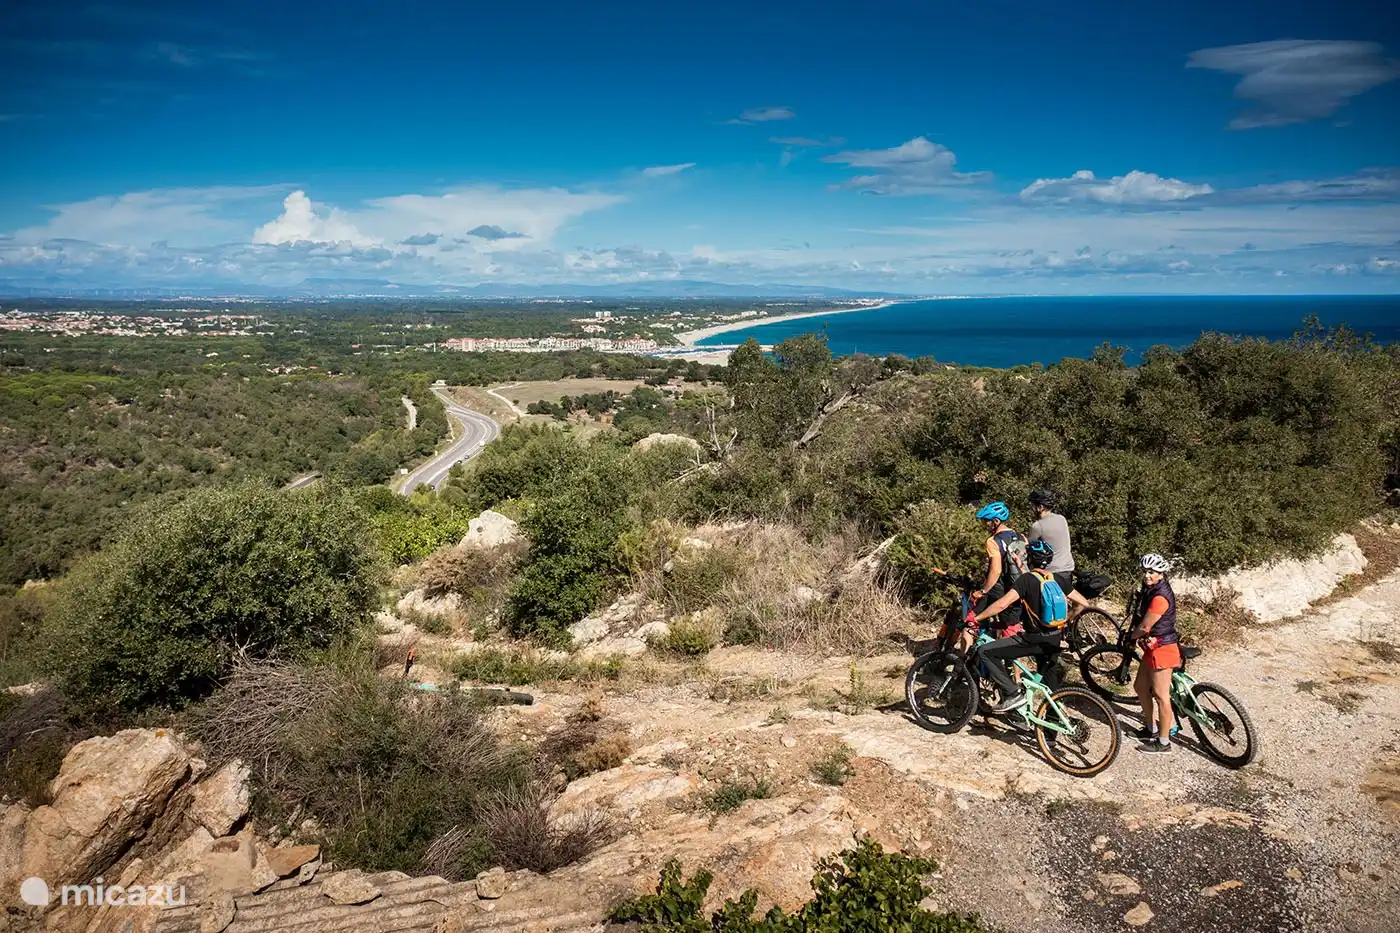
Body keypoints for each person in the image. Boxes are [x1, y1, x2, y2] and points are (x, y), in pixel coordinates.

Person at [969, 539, 1068, 712]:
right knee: (1052, 687)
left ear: (1030, 558)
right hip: (1054, 638)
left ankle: (1012, 694)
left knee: (985, 652)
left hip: (1033, 640)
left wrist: (978, 618)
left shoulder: (1026, 580)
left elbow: (1002, 604)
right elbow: (1079, 603)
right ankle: (1050, 735)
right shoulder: (1056, 578)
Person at [1130, 553, 1181, 753]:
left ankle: (1164, 742)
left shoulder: (1160, 597)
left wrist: (1132, 637)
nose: (1147, 575)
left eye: (1152, 572)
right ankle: (1151, 728)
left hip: (1163, 648)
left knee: (1161, 695)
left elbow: (1145, 626)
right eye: (1145, 571)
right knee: (1140, 686)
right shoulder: (1150, 589)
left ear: (1161, 574)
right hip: (1152, 647)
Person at [1027, 489, 1089, 619]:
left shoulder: (1037, 526)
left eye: (1032, 505)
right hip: (1068, 569)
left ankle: (1056, 628)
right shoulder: (1062, 519)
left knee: (1044, 608)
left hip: (1051, 573)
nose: (1031, 509)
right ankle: (1064, 625)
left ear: (1040, 507)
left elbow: (1031, 549)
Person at [971, 501, 1029, 642]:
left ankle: (964, 659)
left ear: (996, 521)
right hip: (1019, 590)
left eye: (986, 521)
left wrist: (983, 591)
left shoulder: (993, 541)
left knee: (971, 620)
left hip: (1000, 590)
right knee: (1010, 631)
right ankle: (1009, 662)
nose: (984, 524)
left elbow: (996, 571)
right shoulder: (1021, 537)